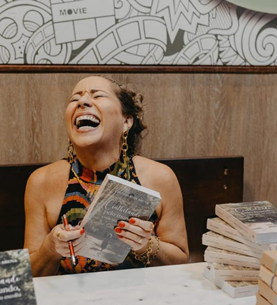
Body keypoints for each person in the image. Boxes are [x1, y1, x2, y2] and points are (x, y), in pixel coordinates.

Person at [24, 76, 189, 276]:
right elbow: (30, 274)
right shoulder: (41, 182)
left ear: (126, 121)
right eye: (75, 99)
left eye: (98, 96)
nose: (82, 101)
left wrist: (147, 245)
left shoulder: (161, 178)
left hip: (142, 294)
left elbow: (181, 261)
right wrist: (50, 248)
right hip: (70, 295)